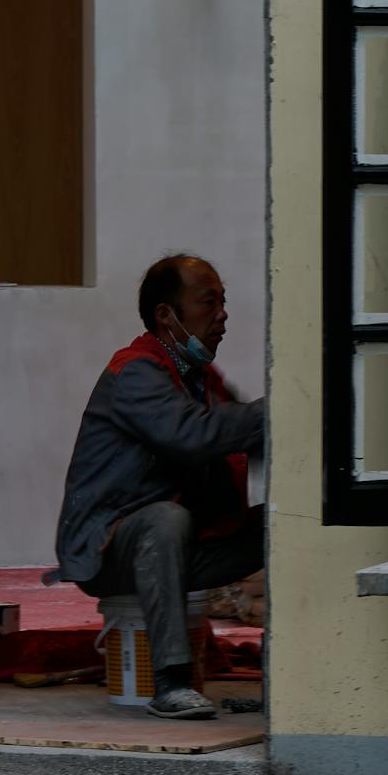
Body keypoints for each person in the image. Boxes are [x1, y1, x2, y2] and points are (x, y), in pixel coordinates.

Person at [51, 255, 265, 717]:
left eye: (223, 302)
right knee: (165, 520)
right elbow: (192, 435)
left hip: (179, 543)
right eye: (208, 303)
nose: (222, 315)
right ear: (166, 315)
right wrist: (278, 409)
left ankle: (283, 678)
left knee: (278, 524)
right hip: (107, 549)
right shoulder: (134, 372)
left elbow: (240, 433)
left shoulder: (200, 380)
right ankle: (169, 683)